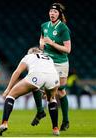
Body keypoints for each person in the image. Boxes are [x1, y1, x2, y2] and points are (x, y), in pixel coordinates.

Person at [0, 47, 60, 136]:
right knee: (51, 99)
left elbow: (17, 72)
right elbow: (48, 73)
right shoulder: (49, 58)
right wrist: (47, 90)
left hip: (37, 76)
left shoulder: (28, 56)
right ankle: (55, 128)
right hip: (54, 78)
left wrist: (8, 88)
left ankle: (4, 123)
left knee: (11, 95)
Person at [31, 3, 71, 131]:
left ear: (59, 14)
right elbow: (42, 39)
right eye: (50, 11)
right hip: (47, 61)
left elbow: (67, 49)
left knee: (60, 91)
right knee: (35, 83)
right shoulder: (44, 25)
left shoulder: (63, 28)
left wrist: (52, 43)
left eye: (55, 12)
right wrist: (42, 45)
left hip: (60, 63)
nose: (52, 14)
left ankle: (65, 120)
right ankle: (40, 111)